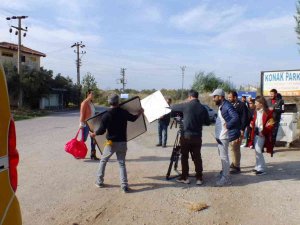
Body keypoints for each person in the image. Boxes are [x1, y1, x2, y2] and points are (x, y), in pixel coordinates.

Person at [90, 94, 144, 193]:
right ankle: (124, 186)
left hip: (110, 143)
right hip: (122, 142)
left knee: (103, 161)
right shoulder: (123, 112)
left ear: (109, 102)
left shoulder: (106, 115)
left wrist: (94, 134)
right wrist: (140, 112)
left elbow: (101, 131)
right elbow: (133, 118)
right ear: (118, 102)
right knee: (121, 164)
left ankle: (99, 182)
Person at [170, 90, 210, 185]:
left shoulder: (186, 105)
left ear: (190, 97)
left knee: (184, 156)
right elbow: (208, 122)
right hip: (197, 136)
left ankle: (185, 177)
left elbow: (172, 108)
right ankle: (199, 178)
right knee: (197, 157)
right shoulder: (203, 108)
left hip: (186, 136)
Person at [211, 89, 240, 186]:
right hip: (220, 135)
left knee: (224, 157)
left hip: (224, 136)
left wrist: (228, 125)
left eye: (214, 96)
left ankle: (226, 179)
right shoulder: (222, 105)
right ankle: (224, 174)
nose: (213, 98)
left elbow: (235, 117)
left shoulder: (227, 106)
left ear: (220, 96)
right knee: (222, 156)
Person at [247, 96, 274, 174]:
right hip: (255, 133)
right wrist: (252, 123)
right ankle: (258, 166)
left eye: (256, 102)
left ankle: (262, 169)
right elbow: (254, 120)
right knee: (256, 150)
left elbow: (271, 124)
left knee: (258, 150)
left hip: (262, 134)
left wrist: (263, 132)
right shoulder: (256, 111)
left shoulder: (269, 112)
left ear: (261, 104)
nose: (255, 104)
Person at [227, 91, 250, 174]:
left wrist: (242, 129)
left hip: (238, 129)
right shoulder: (230, 105)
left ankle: (237, 166)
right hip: (231, 130)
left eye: (230, 97)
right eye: (228, 97)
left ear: (235, 97)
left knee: (236, 147)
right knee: (232, 148)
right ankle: (233, 163)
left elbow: (245, 118)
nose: (228, 99)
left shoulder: (241, 105)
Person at [79, 89, 99, 160]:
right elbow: (82, 114)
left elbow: (92, 113)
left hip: (92, 123)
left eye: (94, 94)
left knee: (94, 139)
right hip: (86, 124)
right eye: (92, 94)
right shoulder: (84, 103)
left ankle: (93, 155)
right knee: (83, 139)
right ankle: (78, 153)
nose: (93, 95)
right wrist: (81, 124)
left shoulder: (91, 103)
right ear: (88, 94)